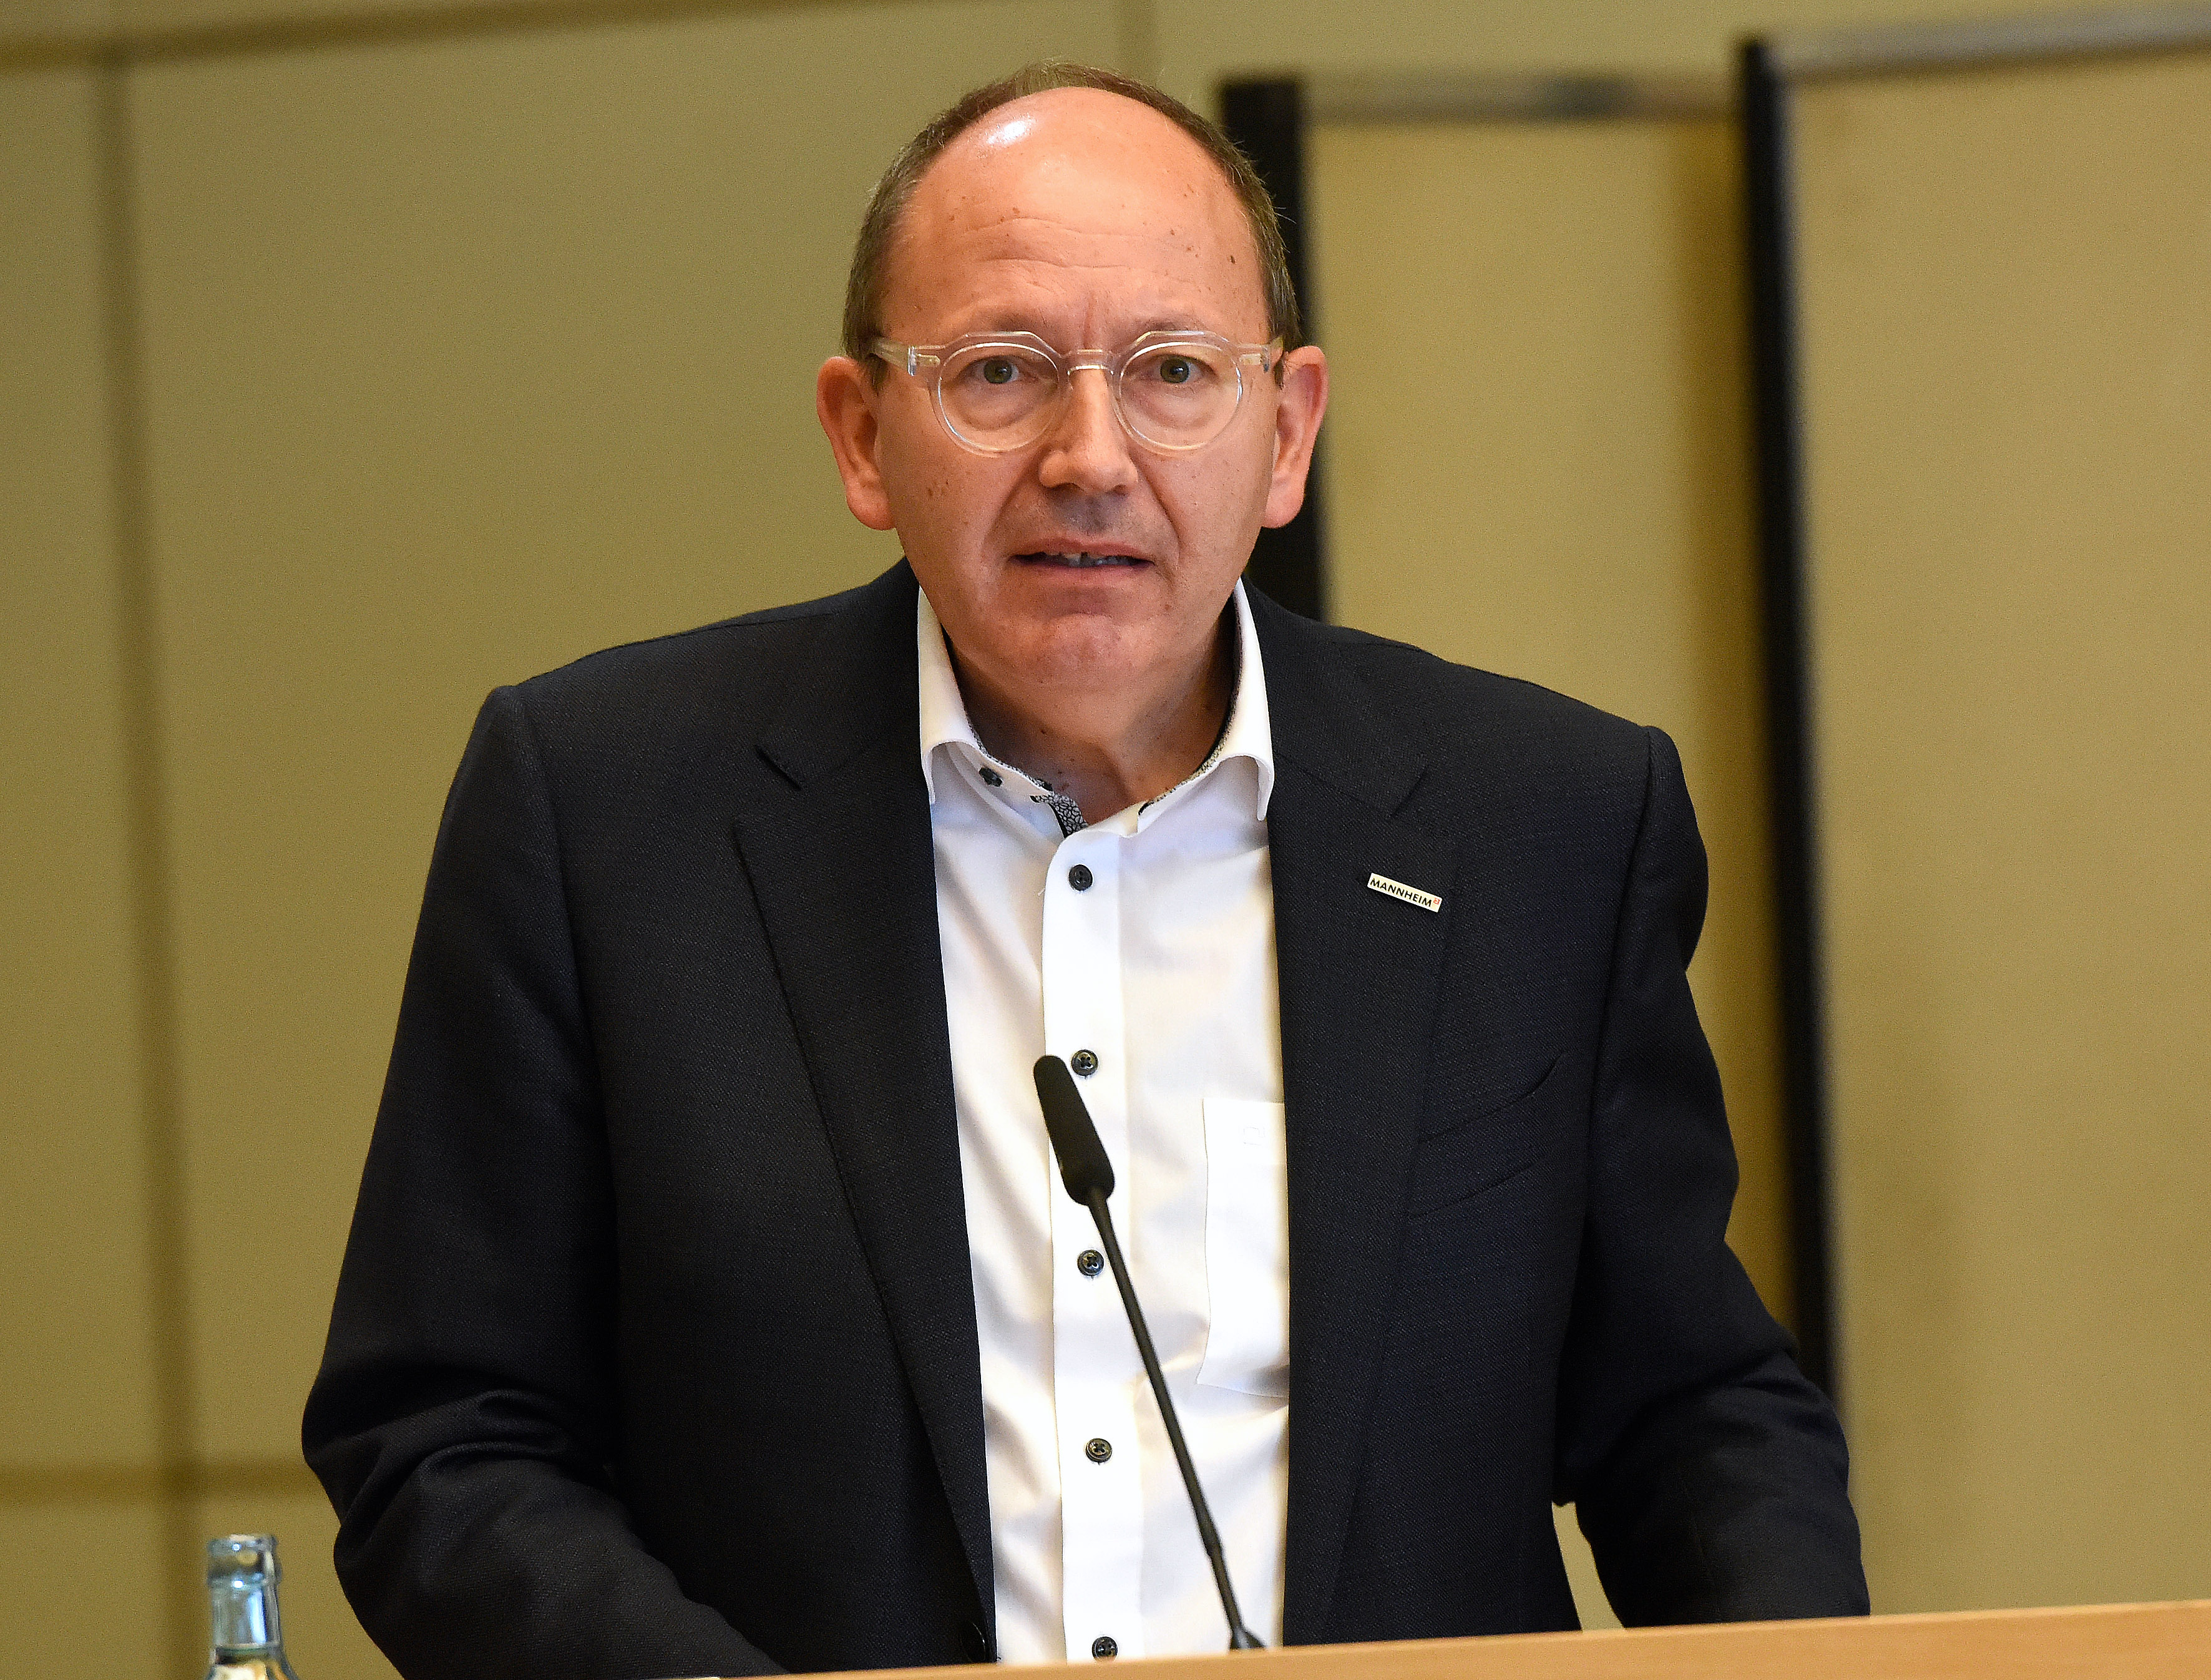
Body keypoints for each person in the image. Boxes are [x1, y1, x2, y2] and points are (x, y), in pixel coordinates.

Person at [305, 61, 1866, 1680]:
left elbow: (1692, 1417)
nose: (1091, 456)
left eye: (1176, 371)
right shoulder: (606, 811)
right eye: (1001, 372)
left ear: (1287, 433)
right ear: (861, 434)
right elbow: (448, 1442)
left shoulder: (1540, 824)